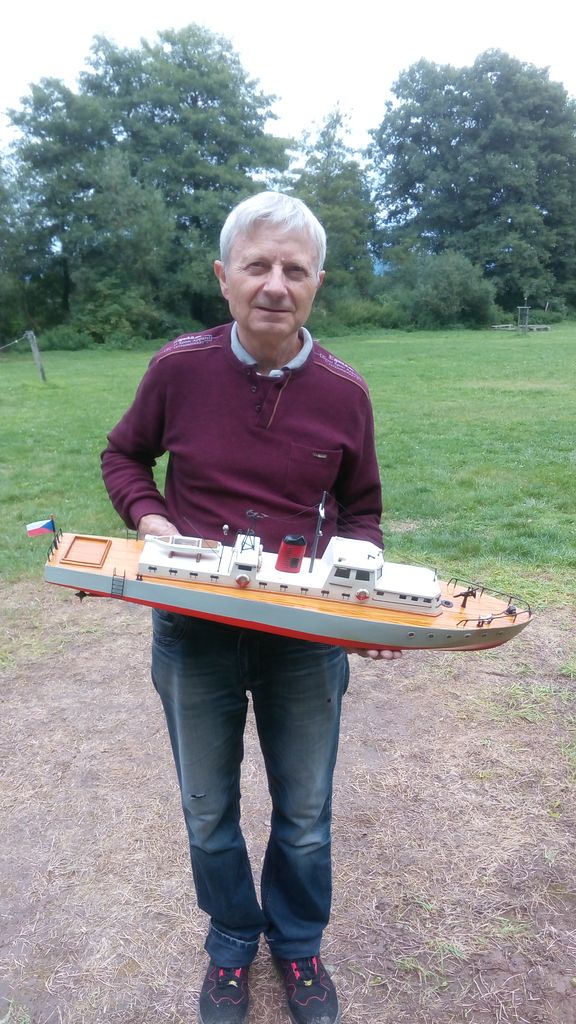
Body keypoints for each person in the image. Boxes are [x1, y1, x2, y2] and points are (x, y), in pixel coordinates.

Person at [101, 191, 400, 1024]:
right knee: (207, 811)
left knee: (304, 815)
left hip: (302, 638)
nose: (275, 285)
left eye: (294, 270)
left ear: (317, 283)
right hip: (192, 631)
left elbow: (363, 511)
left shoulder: (344, 392)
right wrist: (151, 519)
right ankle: (233, 937)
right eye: (257, 266)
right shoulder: (178, 369)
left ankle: (298, 943)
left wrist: (361, 593)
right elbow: (124, 456)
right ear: (223, 276)